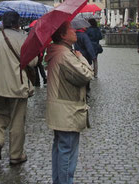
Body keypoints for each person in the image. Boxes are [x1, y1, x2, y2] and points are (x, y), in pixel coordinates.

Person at [0, 11, 37, 165]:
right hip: (16, 86)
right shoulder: (21, 38)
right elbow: (32, 62)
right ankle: (16, 154)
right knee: (17, 121)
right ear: (17, 23)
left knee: (0, 114)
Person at [45, 22, 93, 184]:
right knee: (67, 151)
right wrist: (81, 58)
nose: (75, 31)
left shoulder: (59, 52)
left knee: (60, 148)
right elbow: (85, 75)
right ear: (63, 35)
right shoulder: (64, 55)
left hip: (61, 109)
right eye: (71, 29)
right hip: (68, 110)